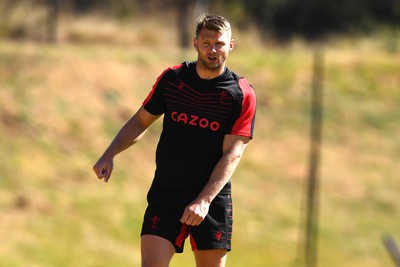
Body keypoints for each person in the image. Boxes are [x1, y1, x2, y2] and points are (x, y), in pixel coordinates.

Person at [93, 14, 256, 267]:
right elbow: (140, 121)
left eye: (219, 43)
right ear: (195, 44)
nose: (212, 49)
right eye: (206, 42)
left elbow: (232, 153)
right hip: (167, 193)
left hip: (211, 198)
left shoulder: (241, 93)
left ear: (230, 45)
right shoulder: (173, 79)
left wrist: (203, 200)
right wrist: (109, 153)